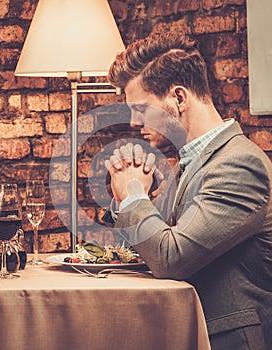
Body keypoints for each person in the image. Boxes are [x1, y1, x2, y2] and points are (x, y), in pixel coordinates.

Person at [104, 32, 272, 350]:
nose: (132, 121)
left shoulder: (238, 165)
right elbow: (151, 251)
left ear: (179, 98)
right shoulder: (189, 162)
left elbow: (172, 258)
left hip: (227, 340)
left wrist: (134, 197)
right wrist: (124, 198)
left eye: (140, 108)